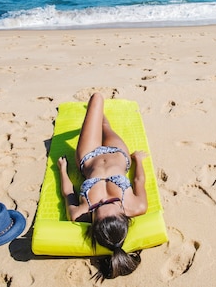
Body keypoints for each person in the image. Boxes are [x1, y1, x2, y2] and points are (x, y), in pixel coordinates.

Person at [57, 92, 148, 278]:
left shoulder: (79, 214)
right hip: (118, 152)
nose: (103, 201)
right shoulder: (137, 206)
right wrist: (138, 160)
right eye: (111, 203)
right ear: (123, 215)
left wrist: (62, 169)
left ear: (93, 221)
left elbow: (68, 193)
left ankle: (93, 116)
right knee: (105, 125)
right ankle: (99, 118)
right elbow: (139, 181)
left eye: (98, 206)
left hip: (88, 155)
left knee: (96, 98)